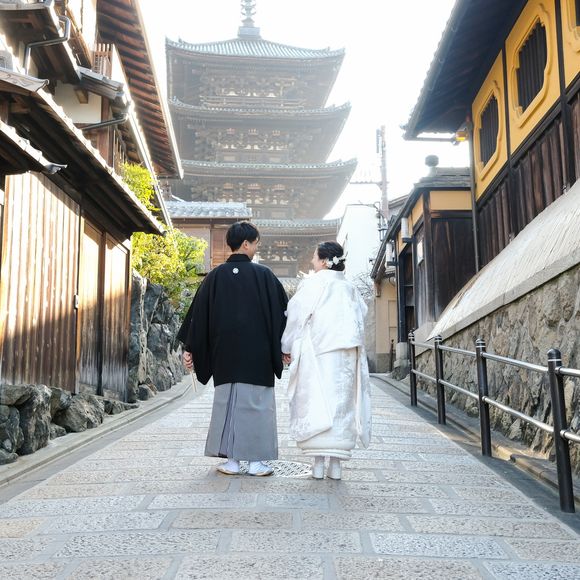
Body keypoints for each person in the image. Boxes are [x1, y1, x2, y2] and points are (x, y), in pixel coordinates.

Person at [177, 221, 288, 477]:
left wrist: (190, 348)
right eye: (256, 243)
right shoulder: (265, 276)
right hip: (258, 355)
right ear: (246, 244)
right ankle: (257, 463)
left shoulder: (215, 277)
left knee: (227, 403)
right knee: (257, 405)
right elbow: (282, 315)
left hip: (224, 355)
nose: (256, 248)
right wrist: (285, 346)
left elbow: (198, 317)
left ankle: (232, 462)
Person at [281, 241, 371, 480]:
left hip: (319, 351)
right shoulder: (350, 288)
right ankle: (336, 465)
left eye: (314, 257)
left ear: (323, 261)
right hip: (346, 354)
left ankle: (318, 463)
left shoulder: (313, 284)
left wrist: (286, 346)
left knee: (317, 400)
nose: (312, 260)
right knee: (342, 404)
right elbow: (361, 314)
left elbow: (296, 316)